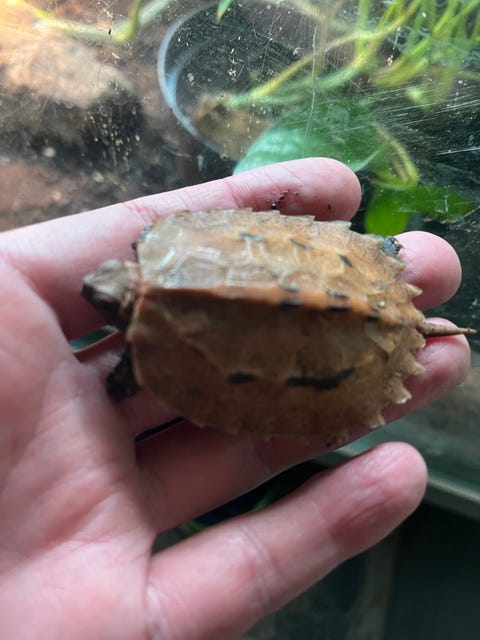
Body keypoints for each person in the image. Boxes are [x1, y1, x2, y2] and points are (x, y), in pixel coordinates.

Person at [0, 158, 471, 638]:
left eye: (109, 297)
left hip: (349, 334)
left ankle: (382, 288)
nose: (93, 287)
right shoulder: (169, 242)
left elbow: (128, 384)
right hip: (352, 301)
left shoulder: (155, 354)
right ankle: (383, 258)